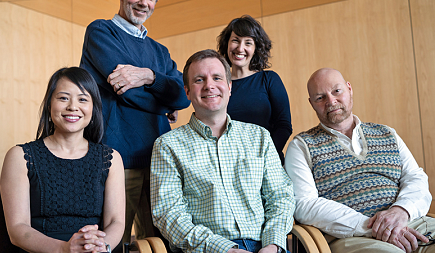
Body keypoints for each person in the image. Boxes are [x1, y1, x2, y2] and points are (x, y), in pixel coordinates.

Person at [150, 49, 295, 253]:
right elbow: (168, 214)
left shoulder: (259, 137)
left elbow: (280, 197)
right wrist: (225, 249)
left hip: (266, 246)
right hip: (208, 249)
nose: (209, 86)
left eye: (217, 78)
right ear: (187, 92)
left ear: (228, 86)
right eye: (199, 80)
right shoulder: (167, 146)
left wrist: (272, 245)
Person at [284, 67, 434, 253]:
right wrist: (375, 227)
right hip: (355, 237)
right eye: (320, 97)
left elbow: (416, 178)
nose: (331, 101)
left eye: (337, 91)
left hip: (412, 222)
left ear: (349, 89)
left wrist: (400, 212)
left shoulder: (387, 133)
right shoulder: (301, 146)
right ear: (311, 103)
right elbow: (304, 204)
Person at [79, 0, 191, 244]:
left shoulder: (160, 52)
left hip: (159, 163)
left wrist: (148, 76)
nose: (143, 2)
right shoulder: (101, 31)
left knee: (159, 243)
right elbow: (126, 91)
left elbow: (184, 95)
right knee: (112, 243)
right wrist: (165, 104)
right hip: (116, 161)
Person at [0, 67, 125, 253]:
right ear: (49, 105)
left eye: (83, 99)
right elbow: (17, 229)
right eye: (63, 98)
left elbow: (116, 221)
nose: (73, 107)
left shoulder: (111, 158)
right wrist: (65, 249)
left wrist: (102, 247)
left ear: (93, 108)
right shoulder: (20, 156)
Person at [217, 15, 292, 165]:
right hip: (228, 165)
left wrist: (260, 158)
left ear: (256, 48)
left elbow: (284, 126)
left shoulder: (269, 79)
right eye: (235, 40)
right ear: (227, 44)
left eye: (248, 43)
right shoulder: (219, 85)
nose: (240, 48)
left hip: (267, 162)